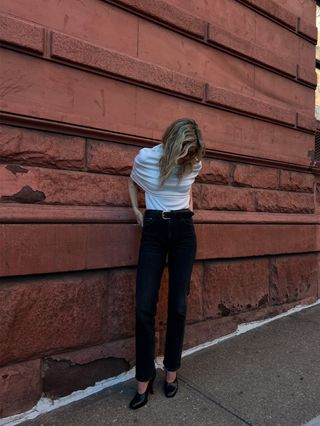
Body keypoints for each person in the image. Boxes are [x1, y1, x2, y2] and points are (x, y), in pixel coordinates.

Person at [127, 118, 205, 409]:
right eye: (184, 150)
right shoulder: (148, 158)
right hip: (154, 231)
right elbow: (132, 180)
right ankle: (144, 379)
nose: (188, 157)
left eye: (192, 151)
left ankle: (171, 374)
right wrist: (137, 210)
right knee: (144, 306)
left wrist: (188, 208)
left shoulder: (194, 163)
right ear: (172, 142)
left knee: (178, 306)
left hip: (184, 231)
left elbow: (189, 187)